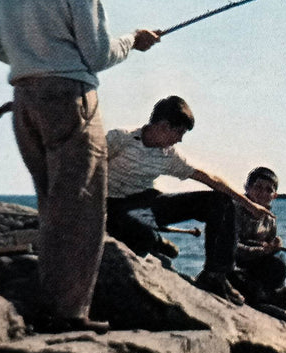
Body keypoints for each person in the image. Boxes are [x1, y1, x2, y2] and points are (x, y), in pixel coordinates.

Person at [0, 0, 161, 334]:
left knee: (52, 206)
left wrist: (34, 55)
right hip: (71, 99)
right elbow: (99, 54)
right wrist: (133, 41)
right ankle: (68, 315)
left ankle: (50, 304)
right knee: (82, 209)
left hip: (24, 99)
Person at [104, 96, 272, 305]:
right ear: (164, 126)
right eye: (179, 132)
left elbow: (210, 178)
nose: (180, 139)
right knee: (142, 238)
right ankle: (155, 241)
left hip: (145, 202)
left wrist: (249, 204)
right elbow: (83, 165)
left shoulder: (168, 155)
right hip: (110, 206)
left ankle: (215, 275)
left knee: (220, 202)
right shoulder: (121, 139)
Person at [231, 166, 286, 309]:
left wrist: (274, 245)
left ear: (274, 195)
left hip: (256, 265)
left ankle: (271, 292)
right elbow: (232, 247)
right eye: (258, 187)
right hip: (236, 263)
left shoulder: (269, 219)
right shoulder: (235, 210)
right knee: (236, 278)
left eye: (269, 190)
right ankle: (265, 296)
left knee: (279, 258)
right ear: (247, 188)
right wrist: (261, 251)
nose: (263, 193)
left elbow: (269, 243)